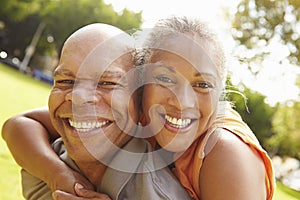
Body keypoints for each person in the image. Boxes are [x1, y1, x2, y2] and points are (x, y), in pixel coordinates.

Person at [2, 16, 275, 200]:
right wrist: (61, 177)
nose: (182, 101)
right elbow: (19, 124)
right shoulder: (140, 113)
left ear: (220, 94)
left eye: (202, 85)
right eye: (165, 79)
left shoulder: (223, 152)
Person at [2, 22, 192, 200]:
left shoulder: (160, 194)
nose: (77, 97)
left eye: (108, 83)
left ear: (142, 107)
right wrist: (56, 175)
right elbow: (17, 124)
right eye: (65, 81)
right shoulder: (43, 163)